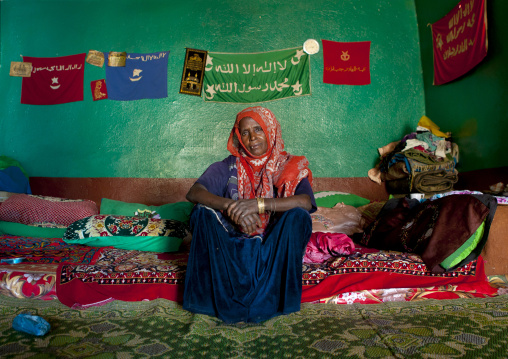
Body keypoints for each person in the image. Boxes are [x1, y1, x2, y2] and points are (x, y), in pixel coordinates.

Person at [183, 106, 316, 323]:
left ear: (270, 131)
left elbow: (305, 201)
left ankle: (283, 302)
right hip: (232, 244)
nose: (252, 138)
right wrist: (232, 207)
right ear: (238, 137)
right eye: (244, 132)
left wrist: (257, 205)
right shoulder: (228, 166)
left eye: (258, 129)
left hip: (274, 244)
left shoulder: (289, 165)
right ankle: (205, 303)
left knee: (299, 216)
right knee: (201, 213)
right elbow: (194, 192)